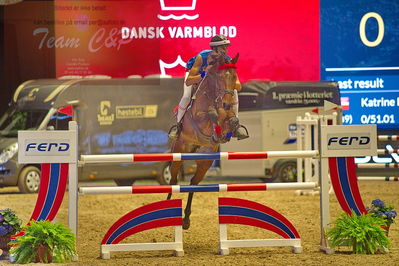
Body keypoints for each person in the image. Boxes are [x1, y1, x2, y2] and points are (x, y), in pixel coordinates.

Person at [168, 34, 249, 140]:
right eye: (223, 47)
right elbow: (189, 81)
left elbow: (238, 86)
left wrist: (229, 82)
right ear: (214, 48)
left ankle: (235, 126)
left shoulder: (227, 60)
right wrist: (204, 74)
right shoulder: (202, 57)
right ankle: (178, 126)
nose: (226, 50)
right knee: (187, 97)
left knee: (234, 93)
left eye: (226, 47)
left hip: (214, 84)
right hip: (196, 77)